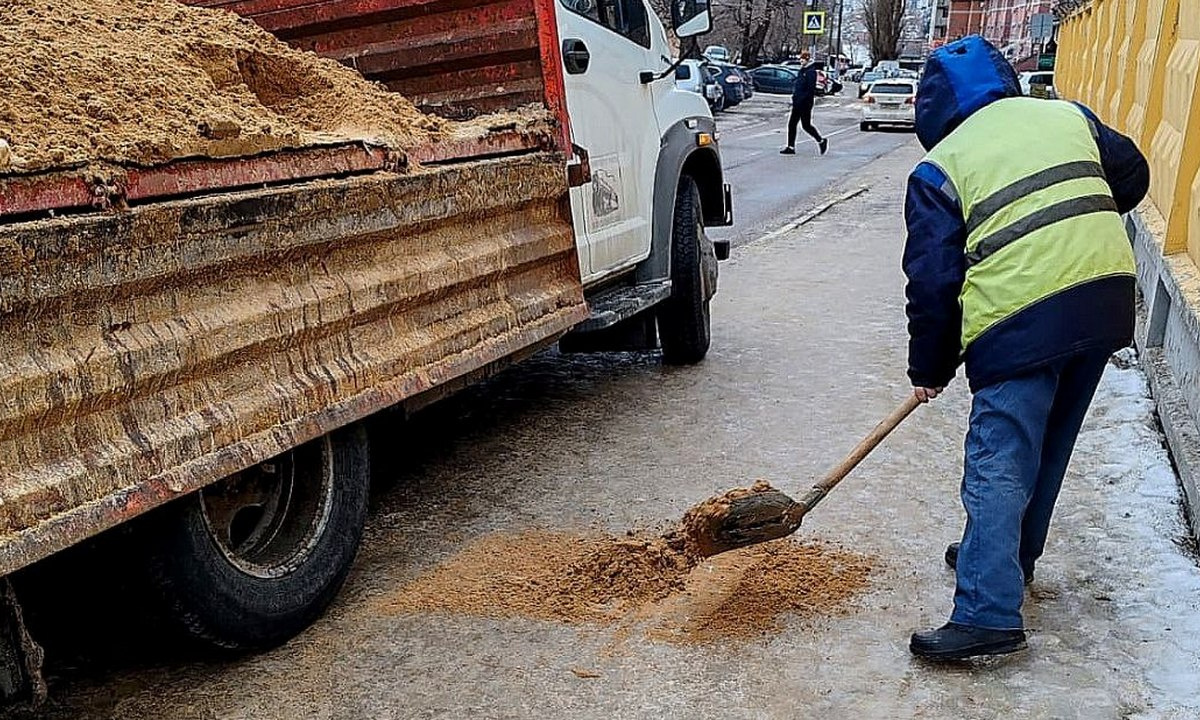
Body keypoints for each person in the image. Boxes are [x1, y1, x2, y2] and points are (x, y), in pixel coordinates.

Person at [902, 36, 1149, 660]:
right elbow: (1135, 172)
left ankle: (987, 609)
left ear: (932, 111)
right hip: (1104, 298)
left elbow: (933, 280)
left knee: (1000, 459)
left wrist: (928, 367)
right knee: (1051, 443)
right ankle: (1006, 557)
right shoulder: (1065, 113)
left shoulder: (941, 166)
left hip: (1020, 318)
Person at [780, 52, 827, 156]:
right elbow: (799, 86)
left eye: (803, 59)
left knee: (806, 125)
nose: (801, 61)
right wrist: (795, 97)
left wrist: (802, 99)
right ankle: (790, 147)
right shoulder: (802, 71)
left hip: (805, 103)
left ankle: (821, 141)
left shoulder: (811, 72)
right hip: (797, 102)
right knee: (792, 124)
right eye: (800, 59)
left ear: (807, 60)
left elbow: (810, 90)